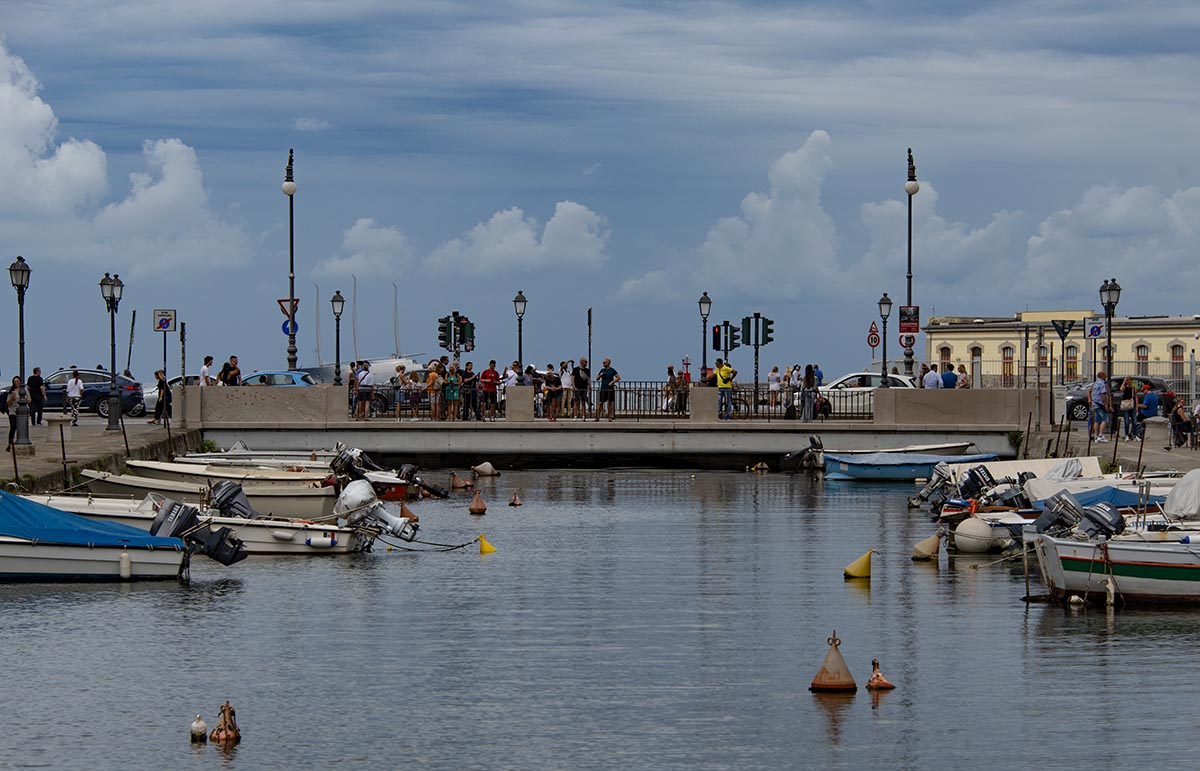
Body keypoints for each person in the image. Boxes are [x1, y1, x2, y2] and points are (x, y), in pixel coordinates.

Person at [594, 358, 620, 422]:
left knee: (610, 403)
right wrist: (600, 375)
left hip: (610, 389)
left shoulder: (612, 370)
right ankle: (597, 417)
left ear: (608, 363)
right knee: (600, 403)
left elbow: (618, 377)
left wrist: (612, 382)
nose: (603, 364)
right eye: (603, 362)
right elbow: (597, 378)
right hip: (603, 388)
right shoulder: (602, 370)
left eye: (605, 362)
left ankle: (610, 417)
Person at [1090, 370, 1111, 443]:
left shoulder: (1095, 383)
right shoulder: (1102, 383)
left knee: (1097, 420)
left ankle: (1096, 435)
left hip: (1095, 403)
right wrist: (1105, 404)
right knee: (1105, 419)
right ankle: (1101, 435)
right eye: (1105, 375)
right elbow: (1103, 394)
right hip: (1100, 404)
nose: (1106, 377)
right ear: (1102, 376)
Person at [5, 376, 19, 451]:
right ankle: (10, 444)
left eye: (17, 381)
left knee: (20, 428)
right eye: (15, 382)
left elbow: (29, 400)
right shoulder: (12, 391)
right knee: (13, 427)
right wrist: (11, 398)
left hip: (21, 412)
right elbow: (8, 403)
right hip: (12, 411)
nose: (16, 383)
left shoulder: (24, 390)